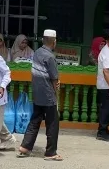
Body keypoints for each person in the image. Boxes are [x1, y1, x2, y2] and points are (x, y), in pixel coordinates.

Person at [17, 29, 62, 161]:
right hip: (48, 95)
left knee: (35, 120)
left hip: (37, 94)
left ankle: (25, 147)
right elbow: (54, 79)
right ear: (54, 42)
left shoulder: (37, 52)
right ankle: (50, 153)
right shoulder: (50, 57)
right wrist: (56, 93)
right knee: (53, 124)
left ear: (43, 40)